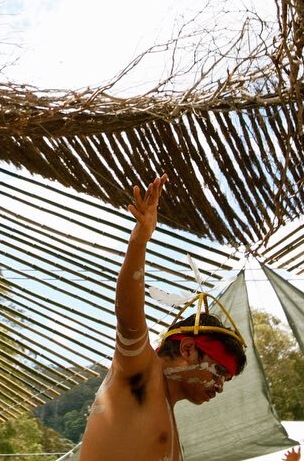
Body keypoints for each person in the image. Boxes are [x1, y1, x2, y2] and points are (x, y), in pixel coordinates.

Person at [78, 173, 248, 461]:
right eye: (219, 371)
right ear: (187, 348)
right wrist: (140, 240)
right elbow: (129, 318)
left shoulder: (165, 410)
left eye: (226, 379)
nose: (219, 386)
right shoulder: (140, 373)